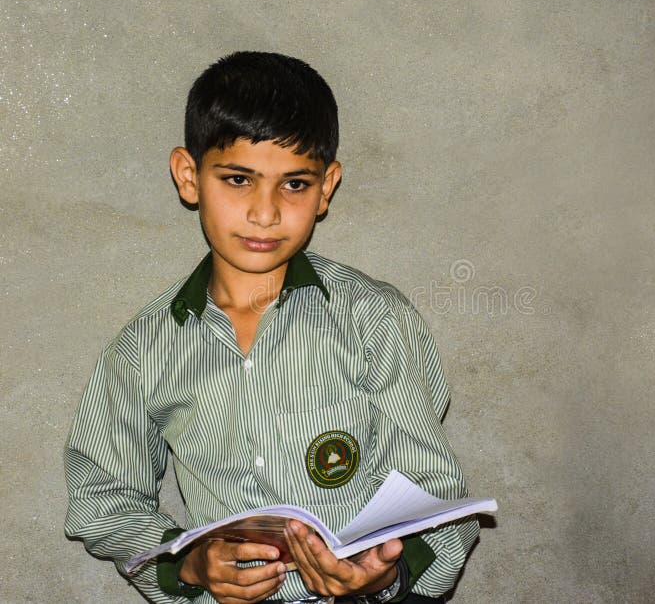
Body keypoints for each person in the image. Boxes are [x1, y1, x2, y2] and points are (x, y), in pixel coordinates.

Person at [64, 51, 480, 604]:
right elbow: (102, 499)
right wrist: (189, 564)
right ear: (189, 177)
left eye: (294, 184)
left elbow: (434, 494)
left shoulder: (374, 319)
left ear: (326, 187)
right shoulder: (144, 350)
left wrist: (385, 574)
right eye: (238, 179)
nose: (265, 213)